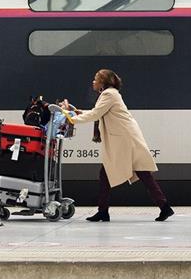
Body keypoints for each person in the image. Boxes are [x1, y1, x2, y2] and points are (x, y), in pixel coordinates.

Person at [61, 69, 173, 223]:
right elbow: (97, 112)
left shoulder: (109, 94)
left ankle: (104, 211)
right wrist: (77, 112)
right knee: (132, 173)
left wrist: (71, 118)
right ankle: (163, 207)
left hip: (125, 140)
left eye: (96, 79)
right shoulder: (110, 94)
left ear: (103, 82)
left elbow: (95, 114)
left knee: (136, 173)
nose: (93, 82)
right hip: (126, 138)